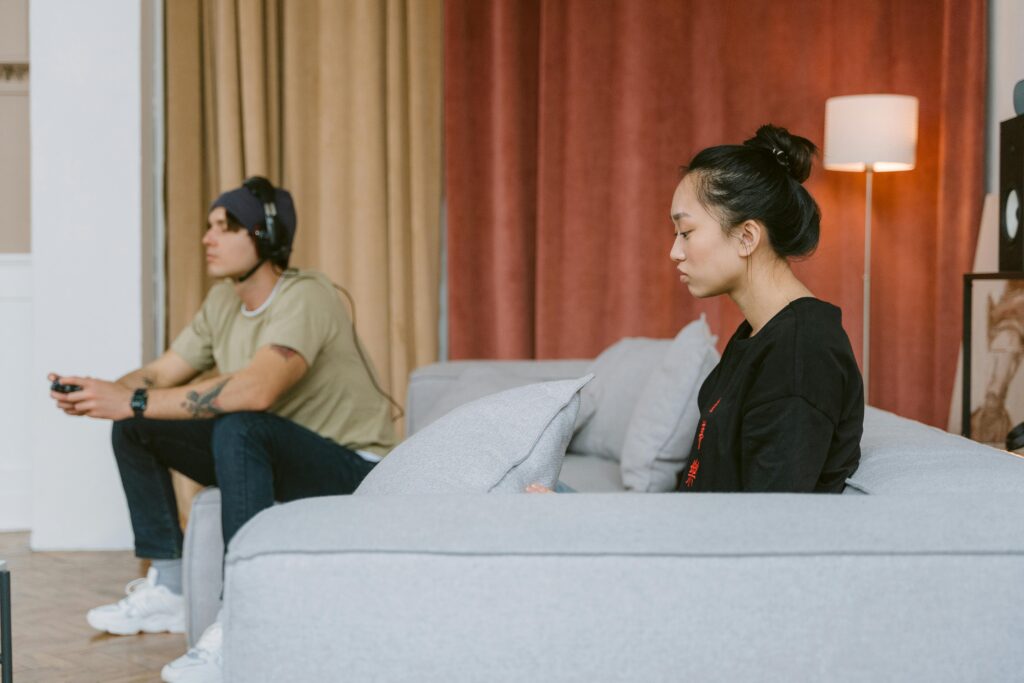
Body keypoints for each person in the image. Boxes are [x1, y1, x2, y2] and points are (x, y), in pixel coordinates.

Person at [49, 177, 396, 683]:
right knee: (134, 427)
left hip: (355, 469)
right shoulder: (222, 304)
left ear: (265, 236)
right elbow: (163, 373)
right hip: (277, 454)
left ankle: (241, 616)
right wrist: (102, 392)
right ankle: (168, 589)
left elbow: (257, 391)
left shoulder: (308, 295)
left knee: (240, 425)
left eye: (224, 227)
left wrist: (133, 399)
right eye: (208, 226)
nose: (208, 238)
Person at [529, 124, 863, 495]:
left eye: (685, 233)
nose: (675, 252)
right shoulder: (759, 334)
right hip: (686, 532)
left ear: (747, 237)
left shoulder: (801, 353)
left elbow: (769, 527)